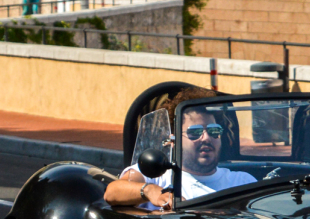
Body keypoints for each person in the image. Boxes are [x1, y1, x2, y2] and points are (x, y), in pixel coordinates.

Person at [106, 87, 256, 209]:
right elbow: (112, 193)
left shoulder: (242, 182)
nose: (206, 137)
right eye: (194, 132)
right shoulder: (158, 177)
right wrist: (150, 191)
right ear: (173, 140)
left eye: (214, 130)